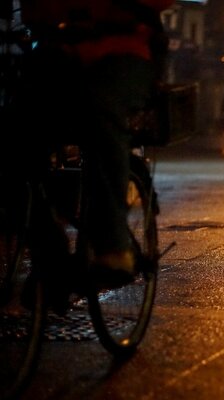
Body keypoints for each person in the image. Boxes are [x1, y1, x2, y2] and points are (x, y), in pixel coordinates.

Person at [13, 0, 174, 306]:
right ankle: (52, 259)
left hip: (126, 52)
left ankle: (113, 245)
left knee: (101, 112)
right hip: (63, 52)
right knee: (17, 139)